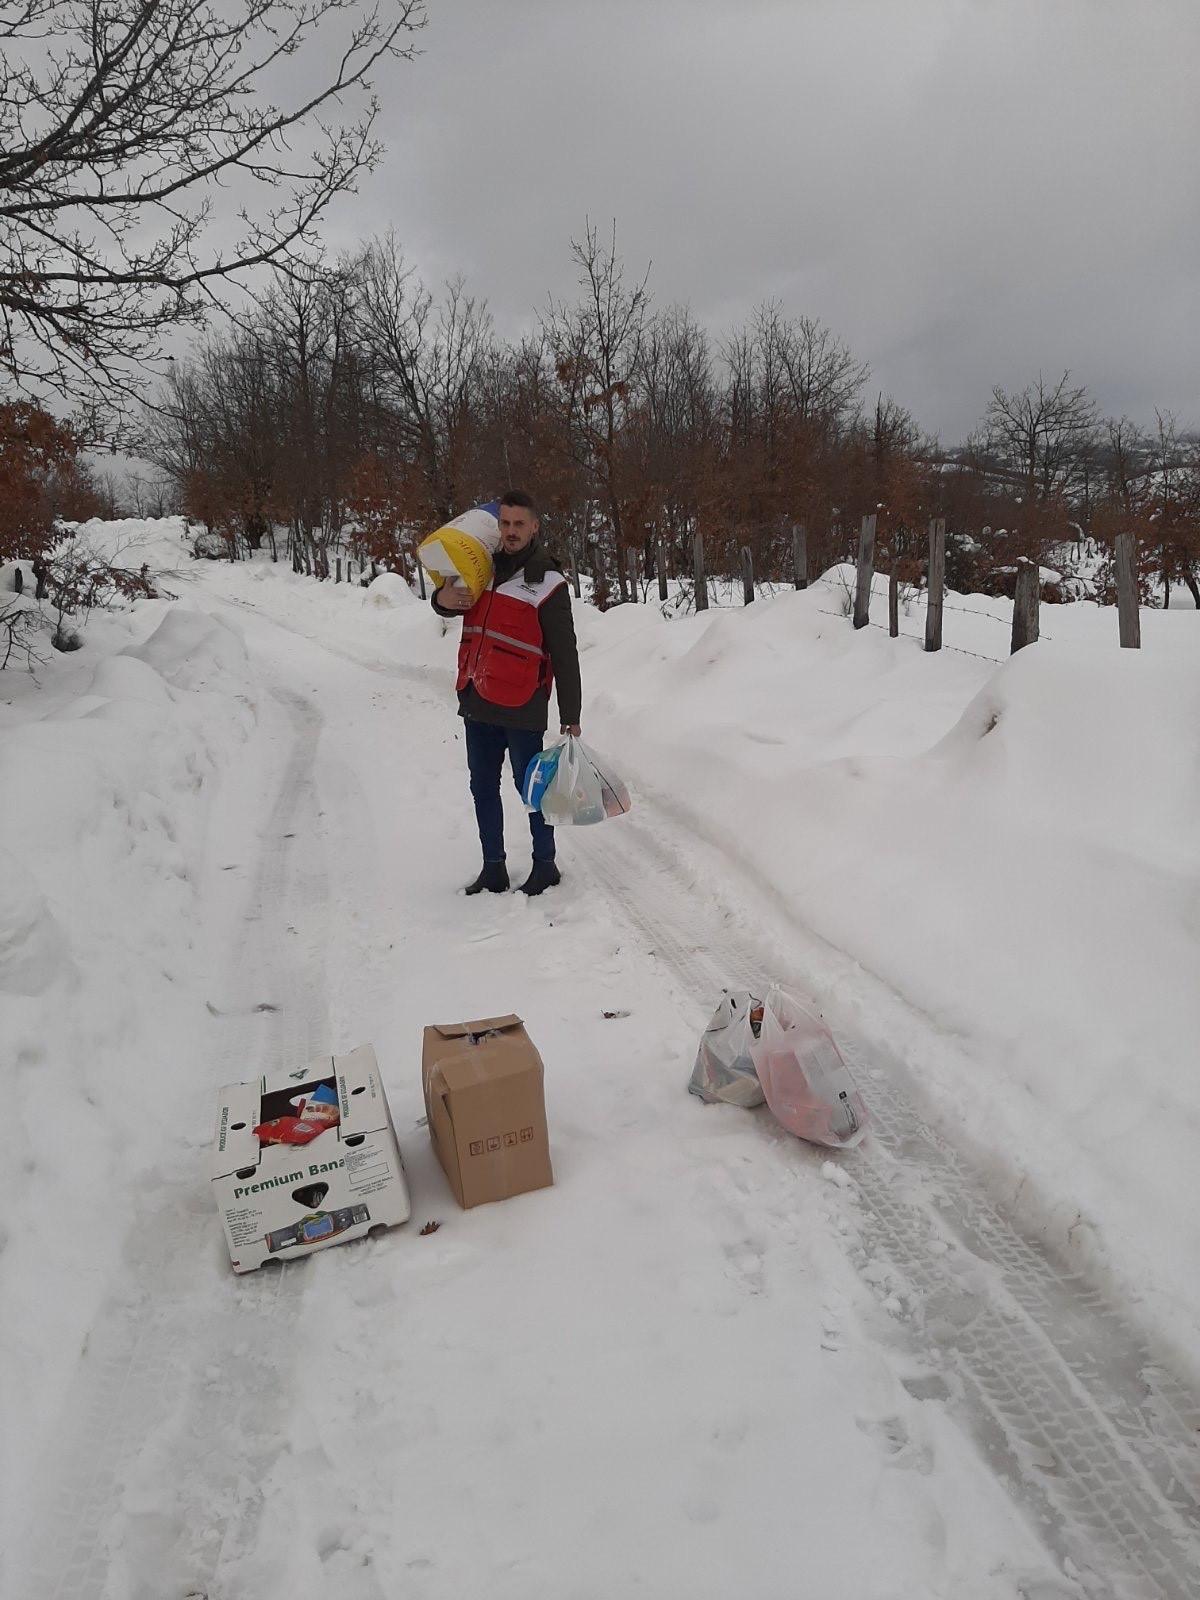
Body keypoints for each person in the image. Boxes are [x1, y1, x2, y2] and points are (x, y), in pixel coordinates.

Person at [432, 489, 582, 896]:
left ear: (534, 527)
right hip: (477, 694)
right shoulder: (481, 567)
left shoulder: (548, 582)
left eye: (519, 524)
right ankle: (493, 868)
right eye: (505, 523)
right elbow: (448, 603)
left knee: (531, 789)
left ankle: (545, 865)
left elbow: (565, 653)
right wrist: (442, 598)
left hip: (521, 703)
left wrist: (571, 715)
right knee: (481, 785)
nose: (511, 531)